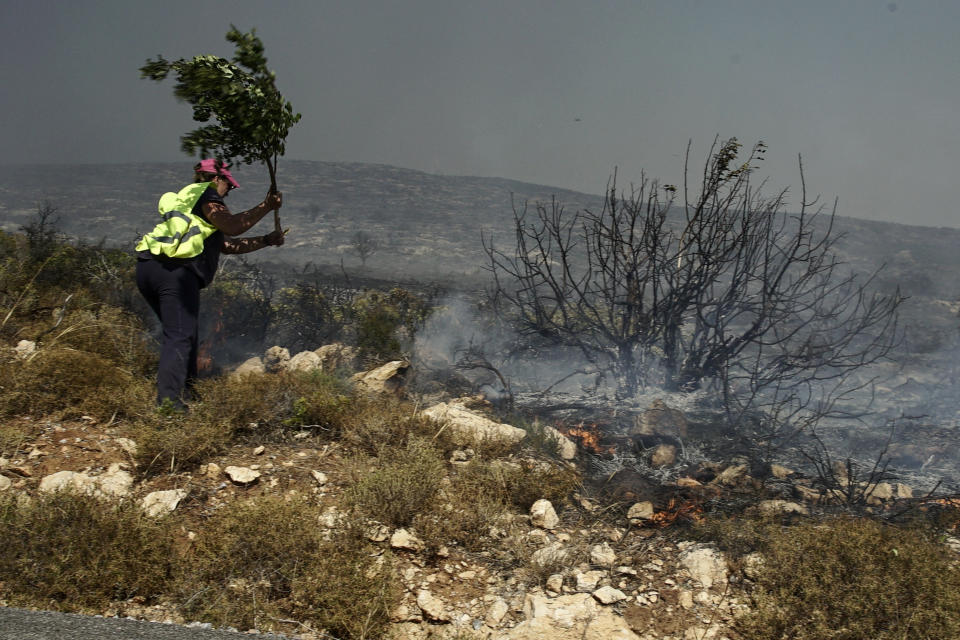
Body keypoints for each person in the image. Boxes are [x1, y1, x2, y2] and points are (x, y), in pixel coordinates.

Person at [135, 158, 284, 409]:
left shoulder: (186, 199)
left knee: (184, 334)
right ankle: (169, 407)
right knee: (180, 336)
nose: (230, 191)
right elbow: (233, 226)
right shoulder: (208, 195)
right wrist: (266, 206)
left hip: (149, 267)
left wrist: (267, 240)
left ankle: (188, 391)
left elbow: (226, 244)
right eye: (230, 185)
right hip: (177, 272)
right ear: (217, 178)